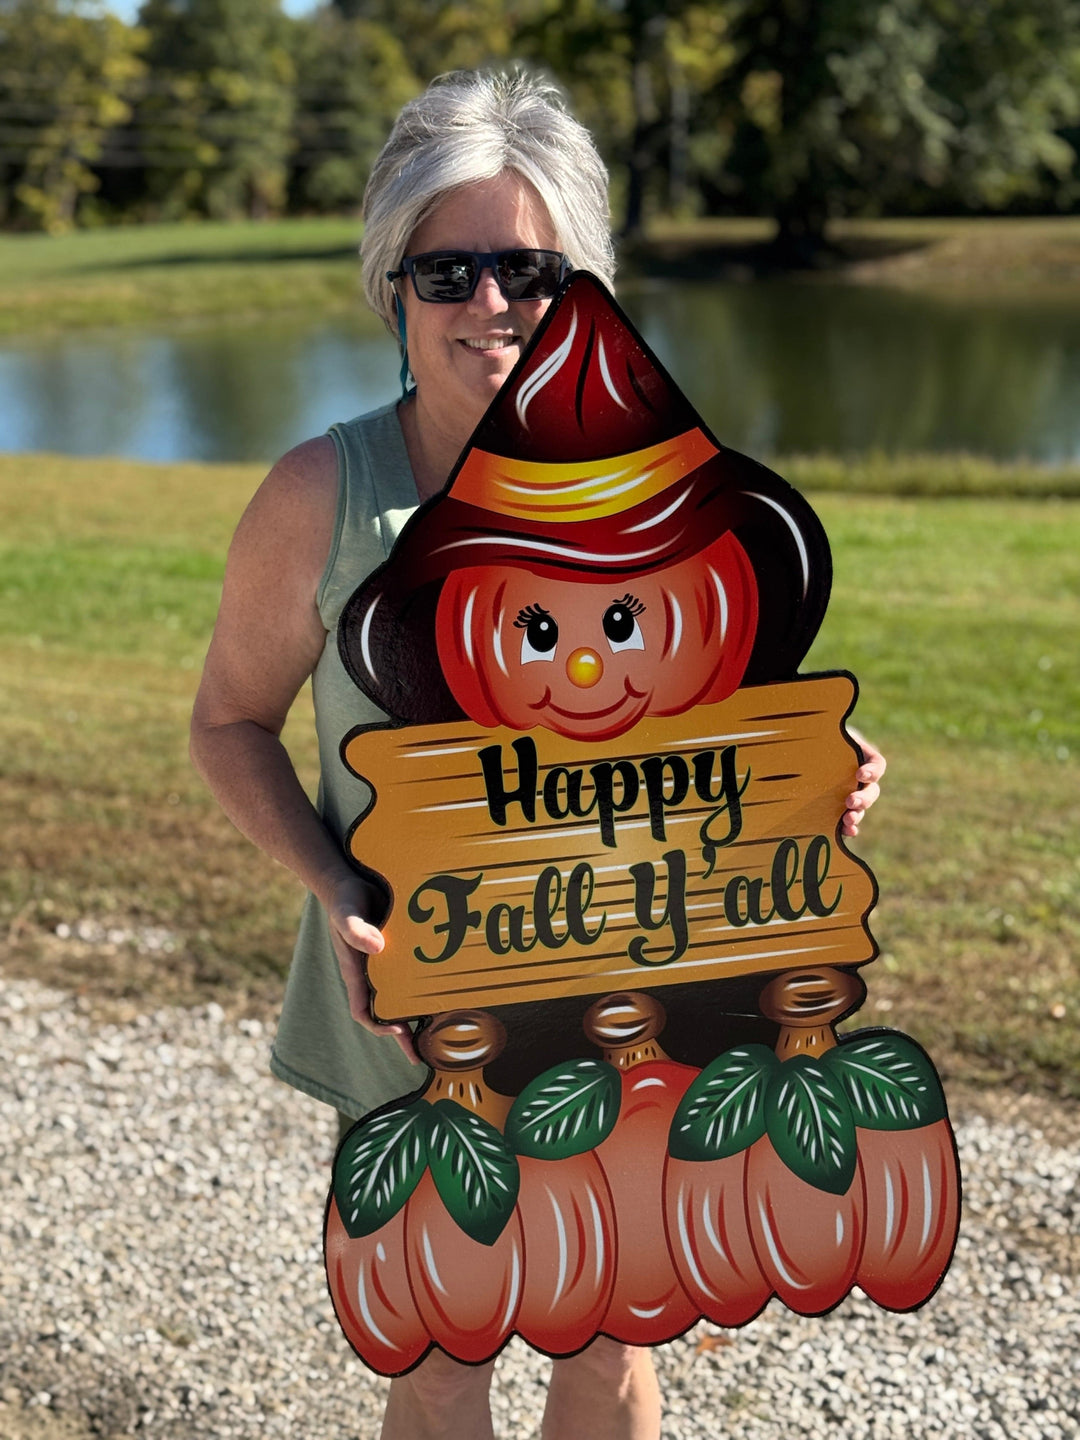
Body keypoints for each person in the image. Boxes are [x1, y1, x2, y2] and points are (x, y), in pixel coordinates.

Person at [189, 68, 885, 1440]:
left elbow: (735, 720)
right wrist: (333, 886)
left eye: (531, 269)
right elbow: (226, 724)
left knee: (610, 1346)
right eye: (448, 271)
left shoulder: (668, 494)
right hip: (420, 1021)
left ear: (589, 290)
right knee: (444, 1356)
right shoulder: (325, 497)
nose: (493, 304)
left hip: (636, 1011)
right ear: (393, 288)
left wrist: (822, 771)